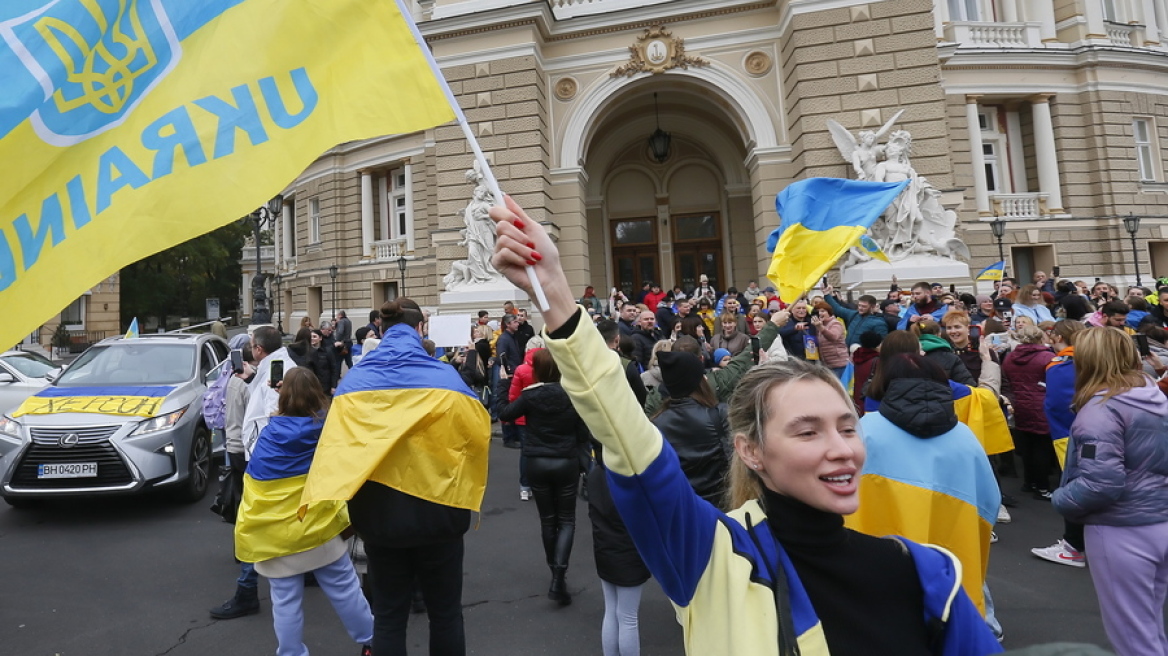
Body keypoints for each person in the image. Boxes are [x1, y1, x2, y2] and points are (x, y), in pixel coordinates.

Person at [488, 195, 1001, 655]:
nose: (842, 448)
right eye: (808, 431)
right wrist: (554, 291)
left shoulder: (929, 577)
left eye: (848, 427)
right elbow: (630, 438)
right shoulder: (711, 557)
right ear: (750, 450)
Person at [301, 298, 490, 656]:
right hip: (440, 512)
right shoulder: (446, 377)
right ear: (421, 330)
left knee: (387, 616)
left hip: (379, 517)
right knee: (446, 614)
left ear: (380, 331)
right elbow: (476, 432)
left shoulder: (355, 381)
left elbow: (337, 447)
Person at [844, 353, 1000, 613]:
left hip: (876, 573)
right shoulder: (965, 437)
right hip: (951, 572)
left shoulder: (866, 431)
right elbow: (989, 503)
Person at [234, 367, 374, 656]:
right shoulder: (328, 429)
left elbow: (254, 483)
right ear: (317, 394)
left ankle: (291, 653)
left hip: (274, 534)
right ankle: (372, 640)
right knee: (345, 589)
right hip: (317, 528)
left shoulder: (270, 432)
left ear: (283, 397)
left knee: (284, 601)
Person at [1052, 327, 1168, 656]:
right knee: (1148, 627)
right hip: (1159, 521)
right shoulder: (1155, 398)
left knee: (1133, 637)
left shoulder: (1100, 411)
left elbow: (1101, 483)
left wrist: (1061, 501)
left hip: (1121, 529)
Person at [499, 349, 590, 606]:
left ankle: (554, 572)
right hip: (565, 460)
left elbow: (504, 413)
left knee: (547, 520)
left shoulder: (530, 395)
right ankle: (559, 574)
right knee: (567, 520)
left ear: (537, 370)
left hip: (537, 460)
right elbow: (583, 432)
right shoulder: (572, 395)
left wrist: (504, 382)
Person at [209, 342, 261, 620]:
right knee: (248, 510)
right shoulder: (240, 382)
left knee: (250, 515)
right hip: (247, 452)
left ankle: (247, 586)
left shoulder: (251, 380)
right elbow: (235, 423)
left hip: (249, 454)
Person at [1031, 320, 1089, 568]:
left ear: (1057, 337)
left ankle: (1073, 546)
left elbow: (1056, 404)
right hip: (1093, 430)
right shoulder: (1091, 360)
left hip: (1068, 432)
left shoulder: (1060, 365)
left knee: (1075, 487)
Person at [649, 343, 732, 508]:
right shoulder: (719, 414)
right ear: (699, 381)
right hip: (721, 504)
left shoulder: (655, 424)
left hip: (681, 507)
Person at [587, 443, 650, 656]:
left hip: (604, 551)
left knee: (611, 611)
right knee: (628, 617)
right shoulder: (631, 481)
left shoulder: (595, 475)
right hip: (630, 554)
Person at [1002, 324, 1056, 500]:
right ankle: (1042, 487)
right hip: (1041, 405)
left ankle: (1028, 482)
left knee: (1027, 447)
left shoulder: (1009, 358)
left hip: (1019, 406)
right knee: (1042, 448)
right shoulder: (1048, 357)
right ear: (1040, 338)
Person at [508, 336, 547, 502]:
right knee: (545, 450)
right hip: (544, 415)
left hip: (524, 417)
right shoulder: (549, 367)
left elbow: (513, 397)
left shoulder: (521, 370)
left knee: (526, 452)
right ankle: (543, 485)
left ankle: (525, 486)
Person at [822, 285, 888, 346]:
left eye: (864, 306)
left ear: (872, 306)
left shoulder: (879, 323)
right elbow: (837, 309)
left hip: (865, 356)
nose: (860, 308)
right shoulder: (853, 314)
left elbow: (882, 343)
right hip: (849, 353)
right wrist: (826, 294)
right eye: (859, 305)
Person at [811, 302, 848, 378]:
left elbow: (833, 337)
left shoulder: (835, 323)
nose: (820, 313)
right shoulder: (819, 324)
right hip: (827, 365)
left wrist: (821, 328)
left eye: (823, 311)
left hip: (839, 364)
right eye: (818, 311)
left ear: (829, 312)